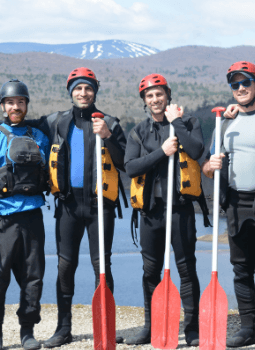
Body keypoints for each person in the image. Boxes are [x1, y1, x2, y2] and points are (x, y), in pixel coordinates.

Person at [25, 67, 127, 348]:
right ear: (71, 92)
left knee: (102, 266)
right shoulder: (56, 121)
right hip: (68, 207)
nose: (83, 93)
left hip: (100, 207)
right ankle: (63, 328)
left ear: (95, 91)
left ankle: (105, 326)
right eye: (78, 88)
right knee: (64, 267)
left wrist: (107, 135)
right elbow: (22, 124)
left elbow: (124, 163)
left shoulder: (111, 123)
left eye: (88, 88)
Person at [124, 73, 206, 346]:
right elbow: (131, 167)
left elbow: (195, 150)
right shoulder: (138, 131)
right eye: (150, 95)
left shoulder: (189, 123)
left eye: (159, 94)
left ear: (168, 96)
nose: (155, 99)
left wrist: (177, 123)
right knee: (150, 271)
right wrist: (162, 151)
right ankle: (151, 325)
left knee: (186, 269)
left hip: (180, 211)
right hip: (151, 213)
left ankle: (192, 328)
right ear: (144, 102)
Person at [202, 61, 255, 348]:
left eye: (246, 82)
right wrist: (211, 165)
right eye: (235, 84)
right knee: (242, 268)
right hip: (237, 202)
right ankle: (248, 326)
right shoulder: (224, 123)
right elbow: (208, 169)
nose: (241, 88)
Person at [0, 79, 50, 350]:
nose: (15, 107)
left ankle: (27, 331)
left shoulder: (38, 136)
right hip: (2, 217)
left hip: (32, 215)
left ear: (26, 105)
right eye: (10, 102)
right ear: (3, 106)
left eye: (20, 102)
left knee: (33, 275)